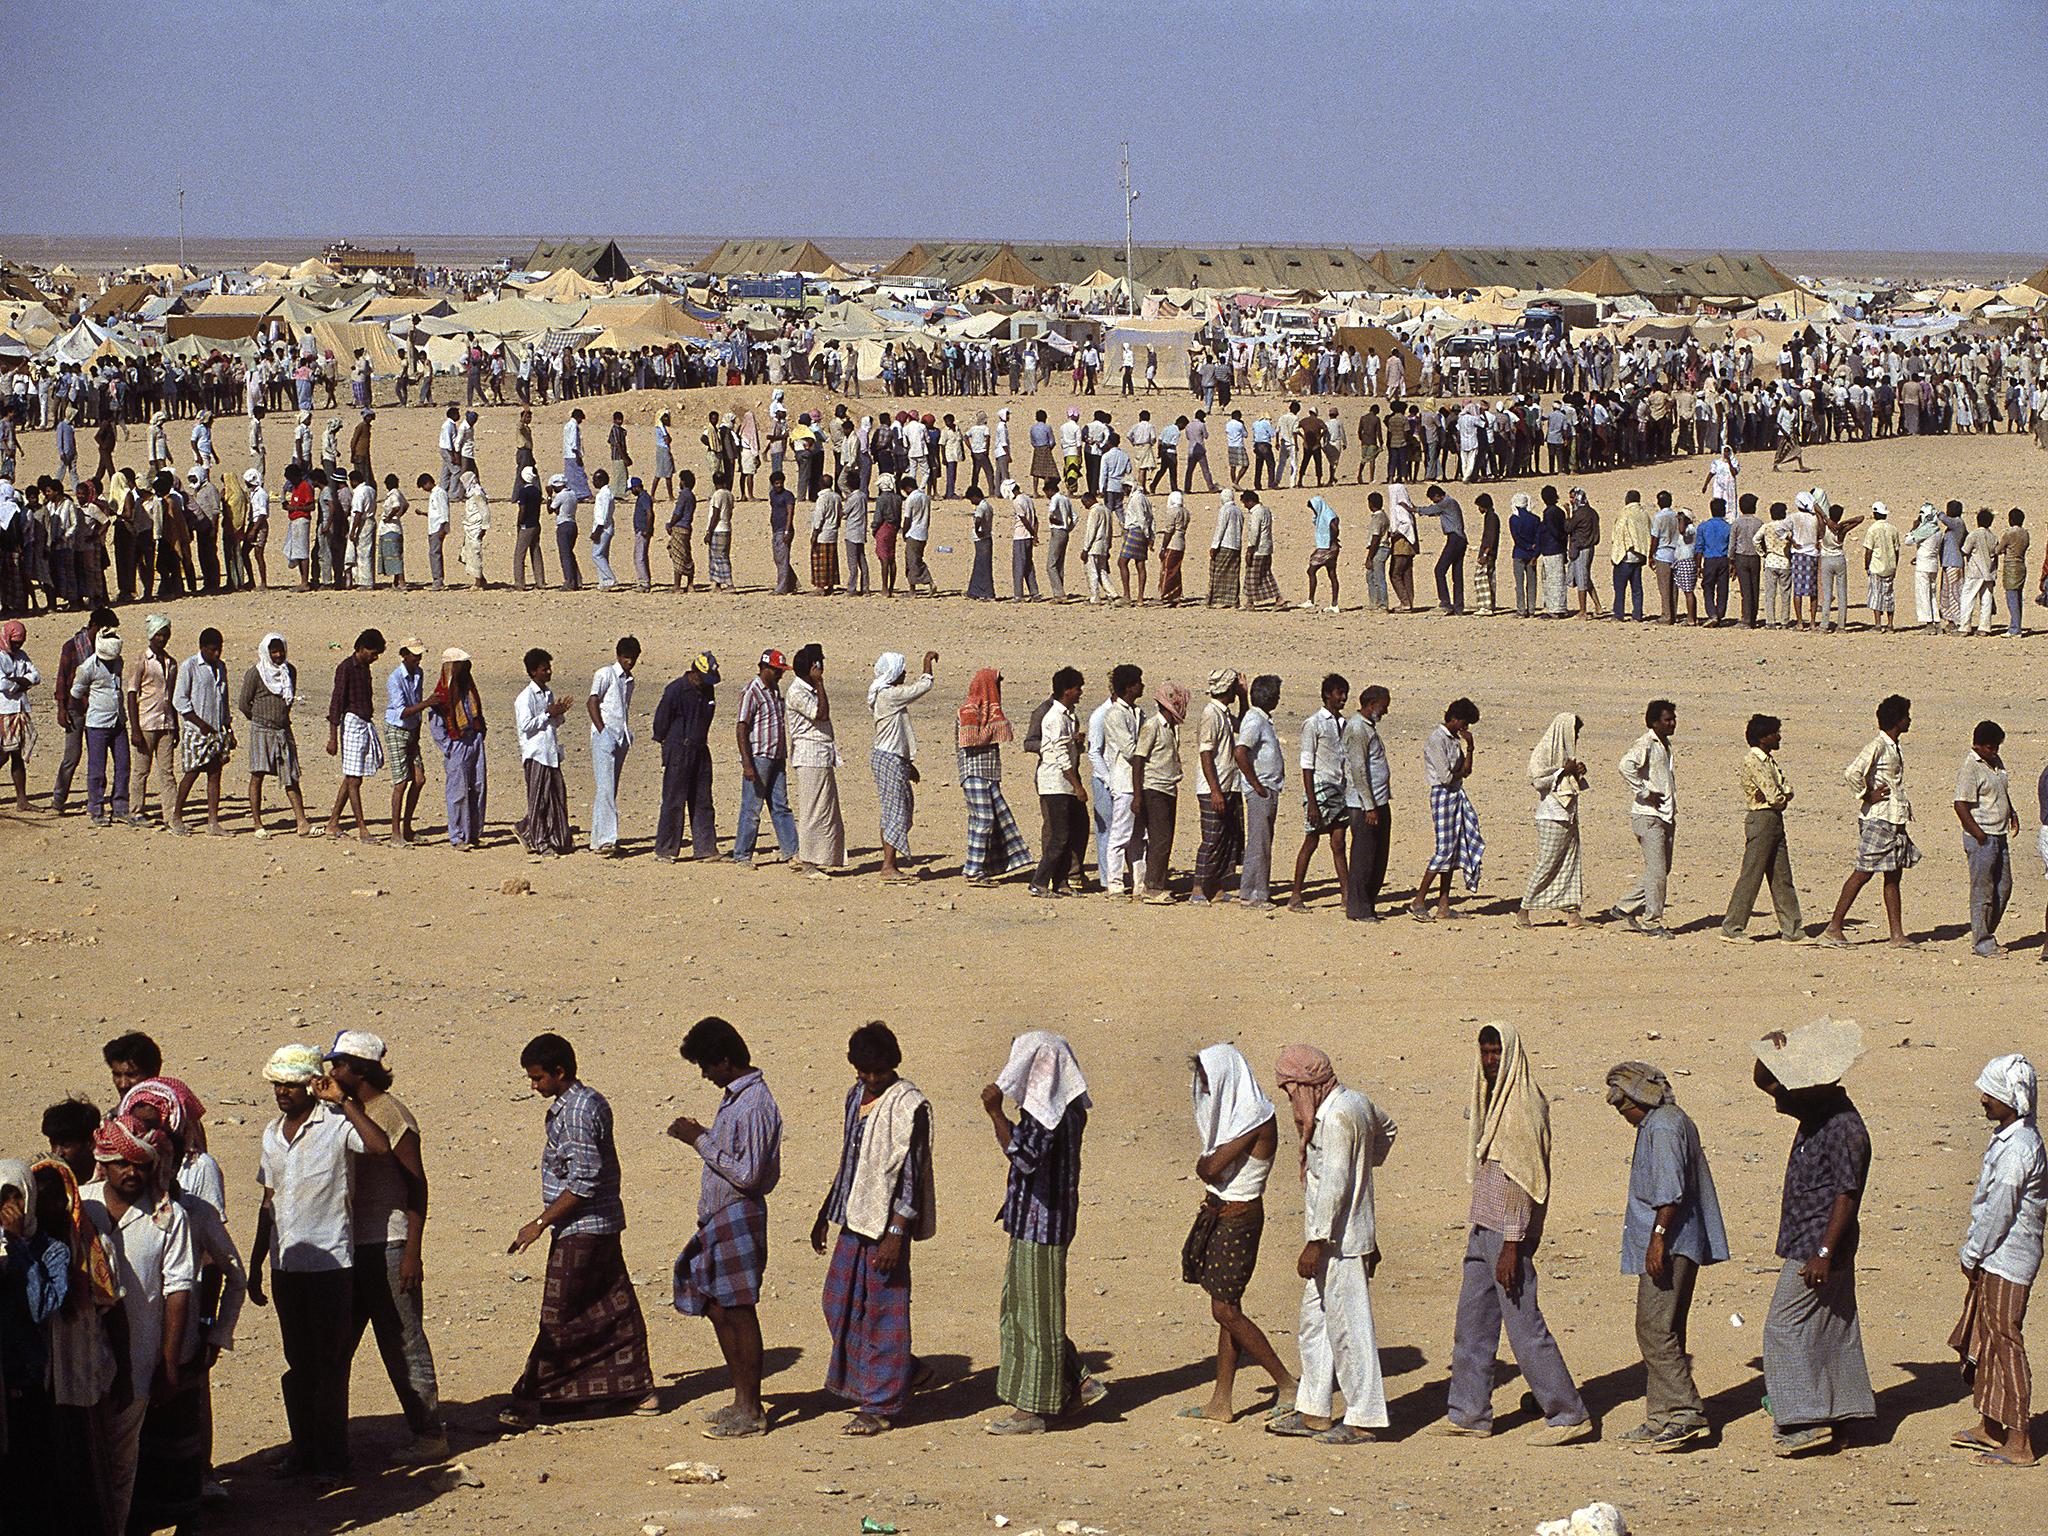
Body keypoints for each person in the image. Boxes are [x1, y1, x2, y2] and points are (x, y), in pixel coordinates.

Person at [246, 1042, 394, 1483]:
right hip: (287, 1267)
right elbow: (268, 1202)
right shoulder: (272, 1135)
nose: (283, 1093)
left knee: (330, 1366)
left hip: (331, 1266)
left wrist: (344, 1101)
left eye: (291, 1085)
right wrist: (257, 1262)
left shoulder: (335, 1125)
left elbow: (379, 1146)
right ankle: (304, 1450)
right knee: (299, 1365)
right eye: (278, 1085)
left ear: (312, 1085)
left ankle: (333, 1458)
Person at [1440, 1024, 1591, 1444]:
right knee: (1471, 1325)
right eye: (1485, 1052)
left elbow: (1525, 1180)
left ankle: (1568, 1414)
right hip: (1482, 1226)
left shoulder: (1523, 1106)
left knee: (1525, 1328)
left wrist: (1511, 1244)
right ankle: (1469, 1412)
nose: (1490, 1061)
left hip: (1509, 1236)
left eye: (1496, 1053)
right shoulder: (1492, 1101)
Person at [502, 1033, 658, 1429]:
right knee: (611, 1303)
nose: (534, 1086)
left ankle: (531, 1398)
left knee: (559, 1313)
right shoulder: (587, 1101)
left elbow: (584, 1181)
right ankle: (635, 1389)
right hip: (599, 1224)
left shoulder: (574, 1114)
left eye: (538, 1078)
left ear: (560, 1072)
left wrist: (539, 1224)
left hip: (583, 1227)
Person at [1753, 1018, 1875, 1455]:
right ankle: (1838, 1414)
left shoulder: (1843, 1127)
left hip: (1819, 1246)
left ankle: (1804, 1420)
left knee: (1783, 1327)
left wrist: (1824, 1252)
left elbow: (1847, 1194)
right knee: (1831, 1327)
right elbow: (1763, 1079)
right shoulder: (1819, 1114)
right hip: (1814, 1242)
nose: (1778, 1099)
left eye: (1784, 1088)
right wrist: (1772, 1049)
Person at [323, 1031, 446, 1464]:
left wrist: (413, 1250)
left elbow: (417, 1185)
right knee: (336, 1344)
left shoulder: (392, 1115)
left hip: (391, 1243)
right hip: (349, 1248)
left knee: (403, 1341)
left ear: (359, 1069)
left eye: (338, 1064)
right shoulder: (340, 1112)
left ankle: (430, 1433)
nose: (331, 1072)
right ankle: (322, 1442)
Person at [1264, 1045, 1395, 1446]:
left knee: (1348, 1330)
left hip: (1339, 1243)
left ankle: (1364, 1419)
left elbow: (1336, 1185)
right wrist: (1363, 1175)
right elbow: (1387, 1131)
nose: (1290, 1100)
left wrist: (1316, 1242)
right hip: (1340, 1238)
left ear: (1307, 1085)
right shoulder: (1356, 1101)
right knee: (1315, 1325)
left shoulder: (1337, 1117)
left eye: (1290, 1091)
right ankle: (1314, 1411)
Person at [812, 1022, 935, 1437]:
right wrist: (825, 1212)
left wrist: (896, 1234)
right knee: (836, 1301)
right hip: (854, 1216)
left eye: (877, 1072)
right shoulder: (854, 1097)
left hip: (885, 1227)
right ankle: (904, 1369)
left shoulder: (909, 1106)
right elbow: (851, 1159)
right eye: (863, 1072)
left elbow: (911, 1176)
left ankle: (880, 1405)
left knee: (883, 1312)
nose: (870, 1079)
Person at [1604, 1061, 1729, 1453]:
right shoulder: (1667, 1122)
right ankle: (1662, 1416)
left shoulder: (1663, 1127)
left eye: (1623, 1107)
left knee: (1654, 1329)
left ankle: (1686, 1412)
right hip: (1674, 1241)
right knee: (1667, 1328)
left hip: (1670, 1245)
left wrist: (1656, 1240)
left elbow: (1669, 1193)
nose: (1623, 1116)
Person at [668, 1016, 783, 1439]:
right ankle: (741, 1400)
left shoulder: (754, 1105)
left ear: (725, 1060)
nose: (704, 1074)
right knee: (718, 1307)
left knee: (738, 1309)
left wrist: (698, 1139)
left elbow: (748, 1174)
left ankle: (752, 1409)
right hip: (720, 1216)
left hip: (739, 1212)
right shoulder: (737, 1100)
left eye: (706, 1065)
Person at [83, 1114, 198, 1532]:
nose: (131, 1173)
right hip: (76, 1360)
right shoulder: (80, 1205)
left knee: (120, 1462)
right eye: (122, 1164)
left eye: (140, 1164)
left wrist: (168, 1362)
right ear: (105, 1162)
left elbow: (178, 1290)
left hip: (139, 1358)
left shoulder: (169, 1217)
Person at [981, 1031, 1099, 1434]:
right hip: (1036, 1221)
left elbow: (1024, 1157)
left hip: (1041, 1225)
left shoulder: (1047, 1115)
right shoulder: (1066, 1108)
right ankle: (1079, 1382)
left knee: (1034, 1317)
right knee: (1027, 1307)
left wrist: (996, 1113)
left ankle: (1033, 1409)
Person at [1180, 1045, 1294, 1421]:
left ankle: (1286, 1383)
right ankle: (1221, 1402)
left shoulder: (1253, 1118)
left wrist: (1205, 1164)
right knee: (1229, 1307)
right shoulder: (1237, 1116)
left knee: (1225, 1310)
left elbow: (1210, 1169)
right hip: (1222, 1215)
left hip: (1238, 1220)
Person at [1951, 1054, 2046, 1468]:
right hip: (1996, 1255)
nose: (1984, 1099)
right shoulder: (2010, 1137)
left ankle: (2020, 1441)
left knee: (2005, 1340)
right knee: (1987, 1336)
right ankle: (1992, 1424)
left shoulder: (2019, 1149)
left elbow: (2000, 1211)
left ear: (2012, 1098)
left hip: (2007, 1258)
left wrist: (1972, 1253)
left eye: (1992, 1092)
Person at [1820, 694, 1917, 948]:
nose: (1910, 720)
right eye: (1906, 716)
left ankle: (1897, 935)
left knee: (1893, 876)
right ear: (1898, 720)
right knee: (1863, 872)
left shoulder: (1892, 746)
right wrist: (1866, 794)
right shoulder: (1879, 745)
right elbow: (1852, 772)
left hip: (1893, 819)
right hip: (1879, 819)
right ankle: (1834, 927)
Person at [1722, 713, 1803, 942]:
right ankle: (1732, 927)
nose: (1779, 737)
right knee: (1751, 875)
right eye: (1774, 733)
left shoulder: (1768, 761)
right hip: (1762, 819)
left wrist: (1782, 795)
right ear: (1762, 737)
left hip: (1774, 819)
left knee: (1782, 877)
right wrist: (1782, 796)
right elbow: (1776, 794)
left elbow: (1786, 790)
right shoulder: (1753, 760)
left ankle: (1793, 930)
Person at [1609, 699, 1680, 938]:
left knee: (1661, 869)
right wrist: (1644, 792)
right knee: (1658, 872)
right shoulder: (1646, 743)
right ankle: (1652, 921)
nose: (1672, 724)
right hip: (1648, 817)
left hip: (1665, 816)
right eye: (1667, 720)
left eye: (1673, 719)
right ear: (1653, 722)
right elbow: (1625, 765)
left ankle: (1624, 906)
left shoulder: (1664, 744)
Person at [1410, 698, 1484, 921]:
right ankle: (1419, 900)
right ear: (1454, 718)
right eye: (1464, 723)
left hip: (1455, 794)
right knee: (1443, 850)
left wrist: (1470, 748)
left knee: (1453, 851)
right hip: (1442, 795)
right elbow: (1445, 776)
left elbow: (1465, 771)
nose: (1465, 728)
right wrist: (1459, 773)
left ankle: (1444, 904)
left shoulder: (1454, 741)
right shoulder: (1436, 740)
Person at [957, 667, 1031, 886]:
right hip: (974, 773)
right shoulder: (968, 711)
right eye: (995, 685)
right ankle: (973, 870)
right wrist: (991, 730)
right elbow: (971, 740)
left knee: (991, 820)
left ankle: (980, 867)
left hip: (988, 774)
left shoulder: (989, 713)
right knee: (984, 819)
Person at [869, 650, 937, 883]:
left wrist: (908, 764)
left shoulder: (886, 695)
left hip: (893, 758)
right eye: (901, 670)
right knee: (895, 811)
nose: (905, 674)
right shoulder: (888, 695)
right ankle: (888, 867)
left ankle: (890, 862)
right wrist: (927, 665)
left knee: (898, 810)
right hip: (889, 759)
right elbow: (921, 688)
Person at [1956, 719, 2019, 958]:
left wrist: (2012, 813)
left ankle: (1985, 932)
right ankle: (1982, 942)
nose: (1995, 751)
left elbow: (2001, 791)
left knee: (2004, 886)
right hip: (1982, 837)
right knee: (1982, 889)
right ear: (1978, 745)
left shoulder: (1995, 763)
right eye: (1991, 747)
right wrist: (1978, 833)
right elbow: (1960, 804)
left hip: (1999, 834)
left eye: (1997, 747)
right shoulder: (1970, 767)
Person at [1288, 673, 1351, 913]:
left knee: (1339, 843)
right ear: (1327, 694)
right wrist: (1312, 802)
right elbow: (1307, 764)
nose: (1343, 698)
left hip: (1339, 789)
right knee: (1311, 841)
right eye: (1339, 693)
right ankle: (1295, 895)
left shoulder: (1343, 724)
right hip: (1320, 789)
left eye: (1345, 693)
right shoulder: (1313, 723)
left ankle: (1346, 895)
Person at [240, 631, 312, 837]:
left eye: (281, 651)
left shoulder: (290, 672)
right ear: (266, 652)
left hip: (283, 730)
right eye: (274, 652)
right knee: (257, 775)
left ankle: (301, 821)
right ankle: (257, 823)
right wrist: (261, 719)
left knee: (291, 776)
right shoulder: (255, 673)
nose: (278, 655)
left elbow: (288, 700)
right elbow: (244, 703)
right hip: (261, 729)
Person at [1519, 711, 1587, 928]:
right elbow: (1538, 781)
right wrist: (1561, 771)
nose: (1575, 739)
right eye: (1573, 733)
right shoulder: (1544, 752)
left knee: (1571, 864)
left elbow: (1571, 784)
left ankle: (1573, 914)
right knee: (1547, 863)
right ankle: (1523, 911)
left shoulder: (1565, 754)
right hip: (1551, 816)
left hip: (1568, 815)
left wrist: (1577, 773)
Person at [653, 652, 720, 862]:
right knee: (673, 800)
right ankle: (665, 850)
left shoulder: (708, 690)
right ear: (694, 672)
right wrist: (669, 747)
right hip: (678, 750)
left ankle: (706, 849)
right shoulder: (675, 690)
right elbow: (661, 722)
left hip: (700, 750)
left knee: (703, 800)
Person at [733, 648, 798, 866]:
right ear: (764, 668)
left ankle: (792, 851)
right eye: (777, 671)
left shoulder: (775, 690)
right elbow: (742, 727)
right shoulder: (752, 691)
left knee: (781, 805)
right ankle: (742, 854)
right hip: (759, 757)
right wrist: (747, 763)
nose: (780, 675)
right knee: (752, 807)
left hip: (777, 756)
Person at [1029, 666, 1089, 899]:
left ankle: (1061, 882)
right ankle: (1039, 882)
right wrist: (1077, 786)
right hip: (1055, 782)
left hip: (1064, 782)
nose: (1080, 692)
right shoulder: (1054, 717)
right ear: (1066, 690)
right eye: (1077, 689)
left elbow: (1068, 749)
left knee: (1069, 832)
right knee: (1059, 835)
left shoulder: (1068, 716)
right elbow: (1060, 755)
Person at [786, 643, 844, 876]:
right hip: (810, 756)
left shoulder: (807, 689)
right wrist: (819, 683)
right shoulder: (797, 692)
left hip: (821, 755)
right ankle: (808, 862)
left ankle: (817, 856)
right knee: (812, 809)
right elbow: (821, 714)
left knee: (825, 809)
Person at [324, 628, 387, 841]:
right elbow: (336, 702)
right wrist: (333, 737)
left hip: (364, 723)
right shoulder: (346, 668)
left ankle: (333, 823)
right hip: (351, 724)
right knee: (354, 779)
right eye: (372, 652)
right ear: (361, 648)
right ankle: (362, 828)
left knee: (352, 776)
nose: (375, 657)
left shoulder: (364, 668)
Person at [170, 625, 233, 836]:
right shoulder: (189, 666)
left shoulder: (221, 667)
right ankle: (176, 816)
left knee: (215, 774)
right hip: (197, 731)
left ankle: (213, 822)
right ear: (202, 648)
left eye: (219, 649)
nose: (216, 653)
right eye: (213, 649)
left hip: (216, 731)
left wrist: (228, 727)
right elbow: (179, 700)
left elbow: (223, 699)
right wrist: (199, 722)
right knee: (192, 772)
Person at [1231, 673, 1287, 910]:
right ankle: (1254, 894)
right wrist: (1256, 785)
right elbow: (1240, 752)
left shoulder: (1259, 718)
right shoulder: (1256, 721)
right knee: (1259, 842)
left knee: (1262, 841)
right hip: (1261, 790)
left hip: (1267, 788)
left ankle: (1256, 890)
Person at [513, 647, 576, 856]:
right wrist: (547, 713)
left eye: (549, 668)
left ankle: (555, 838)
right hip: (536, 754)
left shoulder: (548, 693)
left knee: (556, 796)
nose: (548, 672)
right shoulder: (526, 697)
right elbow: (526, 725)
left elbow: (552, 723)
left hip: (551, 753)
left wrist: (558, 714)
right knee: (538, 799)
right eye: (544, 669)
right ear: (533, 672)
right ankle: (539, 842)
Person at [1191, 670, 1247, 904]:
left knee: (1228, 838)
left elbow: (1243, 726)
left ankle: (1217, 887)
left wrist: (1244, 698)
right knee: (1212, 839)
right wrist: (1215, 790)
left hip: (1229, 784)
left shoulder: (1223, 714)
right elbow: (1206, 753)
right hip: (1214, 786)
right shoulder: (1210, 714)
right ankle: (1198, 888)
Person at [1130, 680, 1186, 903]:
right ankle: (1152, 887)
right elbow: (1138, 759)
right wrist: (1137, 795)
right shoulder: (1152, 726)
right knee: (1159, 839)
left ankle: (1157, 883)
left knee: (1165, 838)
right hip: (1154, 788)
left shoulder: (1171, 729)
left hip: (1168, 788)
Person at [426, 648, 488, 849]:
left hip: (474, 739)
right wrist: (449, 746)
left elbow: (476, 712)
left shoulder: (469, 687)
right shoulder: (442, 695)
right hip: (457, 743)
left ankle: (473, 833)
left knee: (478, 787)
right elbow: (436, 724)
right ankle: (457, 836)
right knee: (458, 791)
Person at [586, 636, 639, 857]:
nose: (630, 662)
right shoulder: (605, 674)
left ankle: (598, 840)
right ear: (618, 655)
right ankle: (607, 839)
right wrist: (602, 731)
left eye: (633, 658)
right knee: (606, 788)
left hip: (621, 736)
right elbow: (592, 701)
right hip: (604, 736)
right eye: (626, 658)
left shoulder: (629, 680)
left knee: (609, 789)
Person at [384, 637, 431, 845]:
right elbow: (402, 711)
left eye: (419, 654)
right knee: (401, 782)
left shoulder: (418, 674)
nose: (417, 658)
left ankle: (407, 827)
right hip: (397, 730)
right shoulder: (395, 679)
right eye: (414, 654)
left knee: (419, 779)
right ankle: (395, 833)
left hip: (412, 730)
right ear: (404, 655)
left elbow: (416, 703)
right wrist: (428, 703)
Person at [0, 618, 39, 812]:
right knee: (5, 754)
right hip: (4, 711)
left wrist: (17, 682)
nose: (18, 645)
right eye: (15, 642)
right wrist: (23, 683)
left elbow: (36, 676)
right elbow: (2, 684)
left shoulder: (21, 655)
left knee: (16, 755)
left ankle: (22, 800)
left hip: (19, 710)